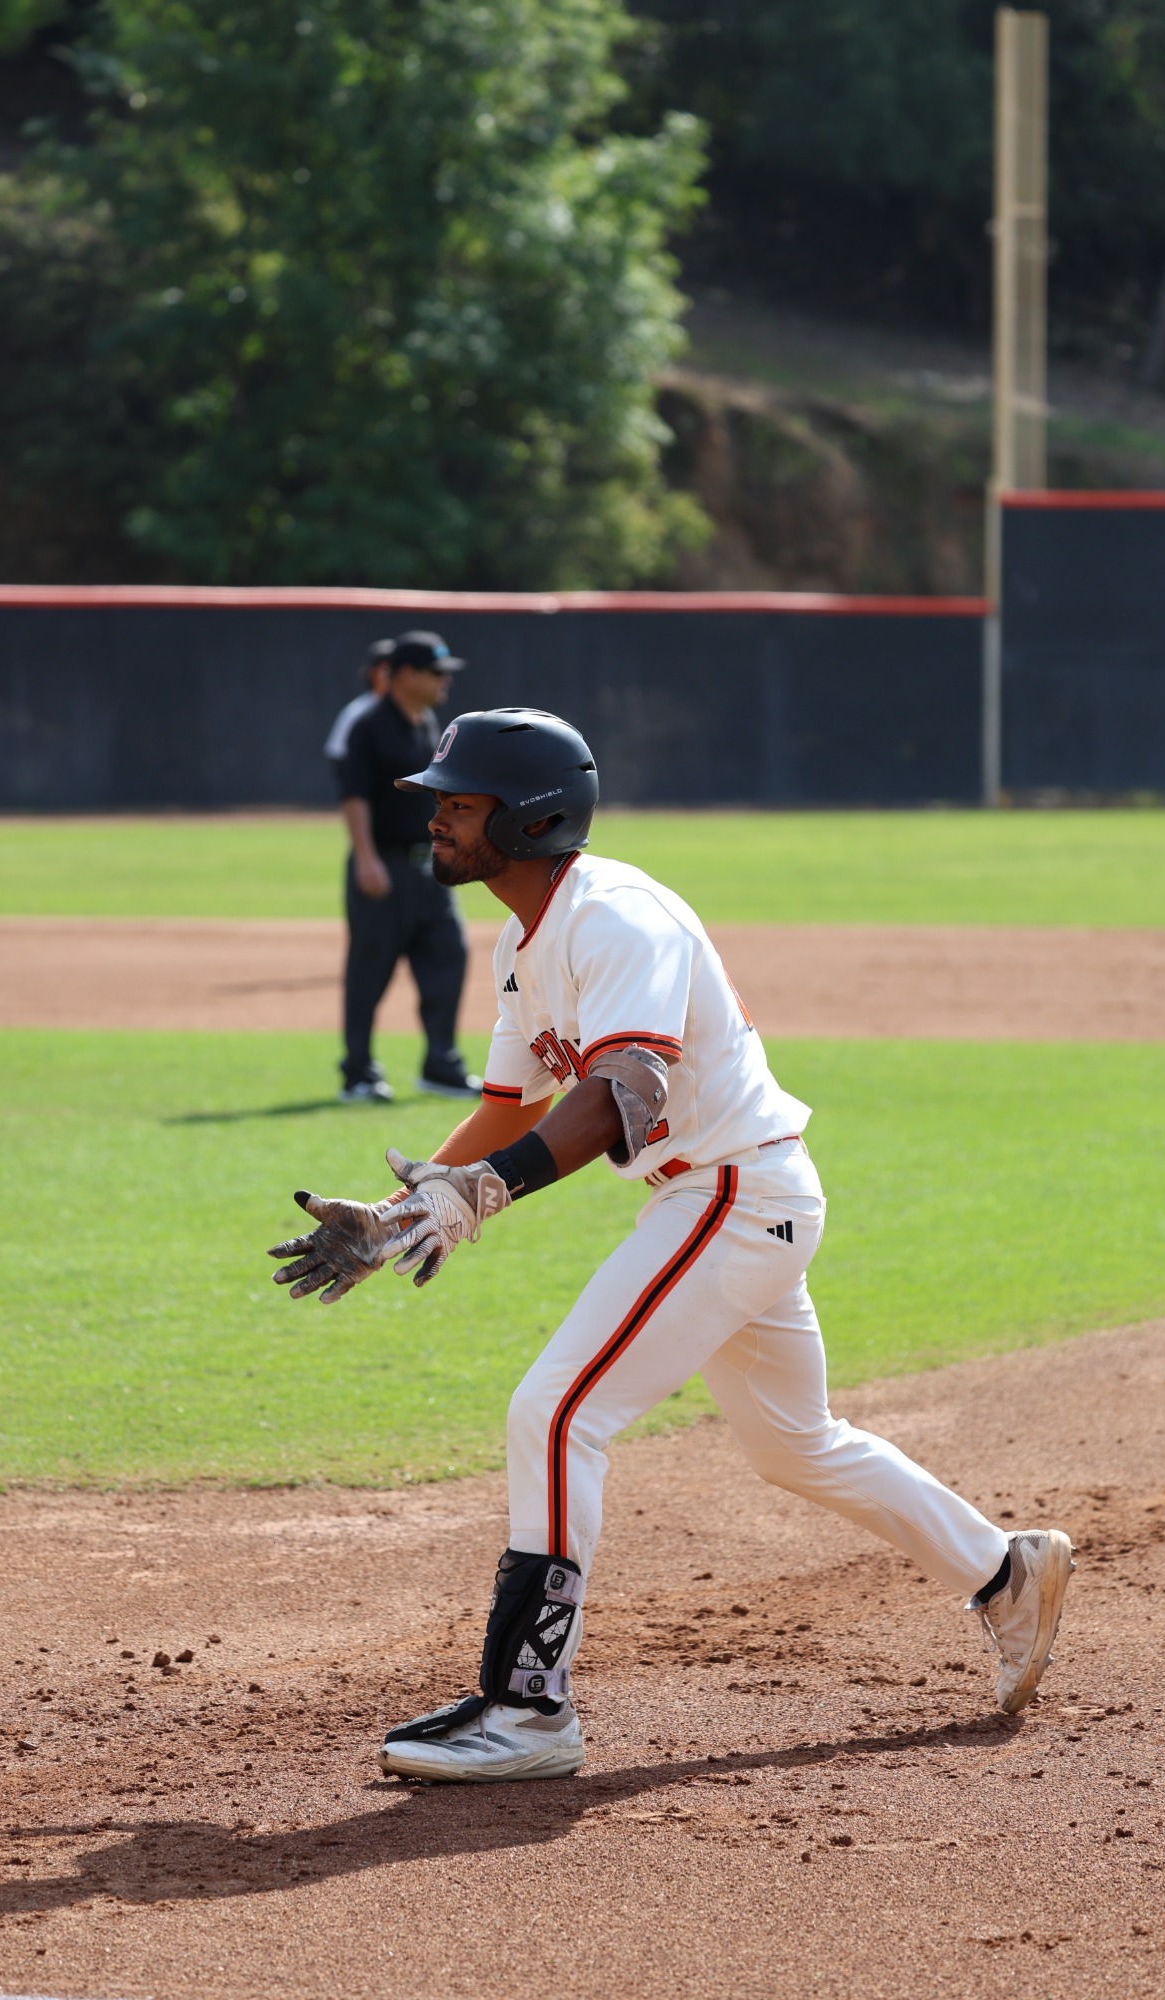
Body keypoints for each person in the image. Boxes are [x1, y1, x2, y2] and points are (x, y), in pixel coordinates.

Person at [269, 708, 1075, 1783]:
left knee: (555, 1414)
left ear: (529, 815)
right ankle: (1004, 1571)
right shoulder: (523, 939)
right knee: (796, 1443)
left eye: (459, 803)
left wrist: (483, 1197)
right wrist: (398, 1212)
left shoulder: (616, 916)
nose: (438, 817)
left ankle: (527, 1708)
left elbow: (625, 1095)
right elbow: (512, 1105)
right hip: (726, 1192)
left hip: (731, 1192)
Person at [333, 631, 481, 1105]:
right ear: (407, 675)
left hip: (429, 868)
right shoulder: (369, 724)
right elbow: (353, 796)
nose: (445, 682)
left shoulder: (426, 722)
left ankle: (441, 1065)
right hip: (384, 867)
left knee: (448, 954)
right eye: (437, 673)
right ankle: (358, 1074)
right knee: (369, 972)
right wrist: (366, 857)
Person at [325, 636, 394, 773]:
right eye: (385, 669)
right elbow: (338, 756)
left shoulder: (415, 714)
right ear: (372, 673)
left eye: (396, 668)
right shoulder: (356, 712)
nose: (391, 674)